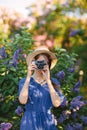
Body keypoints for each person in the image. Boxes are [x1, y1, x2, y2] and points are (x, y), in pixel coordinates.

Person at [18, 46, 64, 130]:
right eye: (39, 62)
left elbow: (57, 104)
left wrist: (48, 81)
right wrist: (28, 75)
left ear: (48, 65)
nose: (41, 65)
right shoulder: (25, 81)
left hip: (48, 122)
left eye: (44, 63)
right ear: (33, 63)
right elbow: (22, 101)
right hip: (29, 122)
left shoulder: (54, 82)